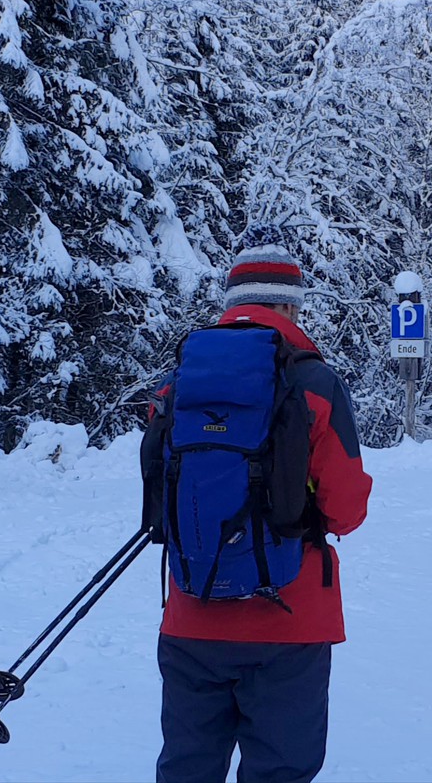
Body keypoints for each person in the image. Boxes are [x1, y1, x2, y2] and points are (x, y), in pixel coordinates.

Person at [145, 234, 372, 783]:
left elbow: (159, 503)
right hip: (290, 623)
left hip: (192, 616)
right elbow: (345, 511)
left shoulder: (177, 385)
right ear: (290, 305)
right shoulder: (314, 382)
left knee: (187, 769)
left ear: (232, 305)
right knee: (280, 771)